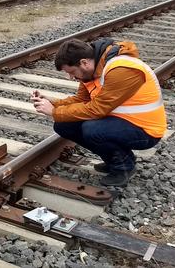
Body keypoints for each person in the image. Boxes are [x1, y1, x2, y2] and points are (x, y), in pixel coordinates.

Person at [32, 38, 166, 187]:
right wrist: (52, 102)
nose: (70, 77)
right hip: (119, 122)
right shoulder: (91, 71)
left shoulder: (122, 69)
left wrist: (54, 112)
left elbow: (97, 109)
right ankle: (117, 159)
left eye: (71, 72)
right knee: (63, 125)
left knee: (92, 129)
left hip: (145, 130)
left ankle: (124, 168)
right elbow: (81, 100)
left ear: (84, 63)